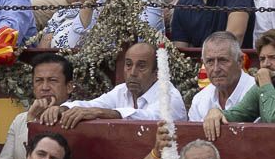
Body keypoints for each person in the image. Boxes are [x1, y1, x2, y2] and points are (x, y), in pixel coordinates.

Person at [38, 41, 187, 126]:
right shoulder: (121, 90)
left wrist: (101, 112)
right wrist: (62, 108)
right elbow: (91, 105)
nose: (133, 72)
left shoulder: (169, 95)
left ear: (157, 73)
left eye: (141, 66)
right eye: (128, 65)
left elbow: (151, 118)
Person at [0, 53, 75, 159]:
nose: (44, 88)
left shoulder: (74, 118)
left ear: (69, 87)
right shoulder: (21, 119)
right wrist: (31, 122)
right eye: (39, 81)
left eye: (52, 80)